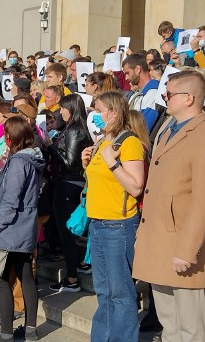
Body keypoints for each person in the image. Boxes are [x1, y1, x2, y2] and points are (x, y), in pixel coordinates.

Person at [133, 70, 205, 341]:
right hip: (160, 241)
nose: (165, 99)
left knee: (191, 327)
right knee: (170, 323)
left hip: (183, 247)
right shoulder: (167, 129)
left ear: (189, 98)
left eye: (169, 94)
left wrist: (188, 249)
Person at [76, 90, 145, 340]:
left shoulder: (129, 142)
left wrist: (112, 163)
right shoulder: (103, 143)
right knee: (104, 292)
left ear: (114, 113)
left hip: (118, 226)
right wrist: (88, 166)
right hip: (98, 224)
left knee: (121, 293)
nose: (94, 115)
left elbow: (136, 186)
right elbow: (102, 183)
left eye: (99, 110)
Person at [0, 116, 45, 342]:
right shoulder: (31, 158)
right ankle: (30, 329)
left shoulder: (19, 161)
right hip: (24, 226)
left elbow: (11, 198)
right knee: (26, 275)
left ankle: (6, 334)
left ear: (10, 138)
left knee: (0, 279)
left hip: (11, 227)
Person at [48, 94, 92, 293]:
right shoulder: (69, 130)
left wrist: (49, 146)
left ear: (72, 109)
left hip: (69, 183)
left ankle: (72, 278)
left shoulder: (75, 131)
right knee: (64, 230)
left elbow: (70, 163)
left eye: (63, 108)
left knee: (66, 231)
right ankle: (77, 267)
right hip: (66, 183)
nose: (60, 112)